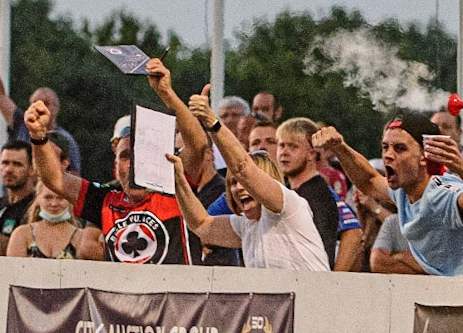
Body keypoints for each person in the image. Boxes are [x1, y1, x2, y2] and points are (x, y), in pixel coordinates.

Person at [315, 111, 463, 278]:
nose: (388, 155)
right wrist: (340, 147)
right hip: (452, 294)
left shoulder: (440, 191)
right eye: (385, 147)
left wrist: (462, 167)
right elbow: (369, 181)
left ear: (424, 156)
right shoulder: (403, 190)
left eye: (400, 148)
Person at [26, 99, 191, 265]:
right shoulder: (106, 198)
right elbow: (54, 179)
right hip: (121, 290)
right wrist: (38, 135)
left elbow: (198, 147)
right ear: (116, 167)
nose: (134, 164)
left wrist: (166, 93)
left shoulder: (178, 190)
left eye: (140, 154)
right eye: (125, 156)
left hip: (176, 289)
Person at [169, 103, 328, 271]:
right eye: (233, 183)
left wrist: (212, 123)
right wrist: (178, 179)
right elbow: (201, 225)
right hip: (282, 297)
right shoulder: (245, 225)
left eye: (243, 182)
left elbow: (243, 167)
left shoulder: (288, 204)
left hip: (315, 296)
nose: (238, 188)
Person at [0, 34, 81, 173]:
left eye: (46, 103)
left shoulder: (64, 140)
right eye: (35, 103)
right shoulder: (22, 125)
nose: (40, 107)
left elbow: (74, 179)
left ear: (57, 109)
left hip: (46, 194)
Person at [275, 118, 345, 266]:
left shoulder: (320, 196)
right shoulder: (284, 190)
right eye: (281, 145)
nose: (284, 152)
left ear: (312, 154)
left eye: (293, 146)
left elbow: (322, 248)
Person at [6, 187, 103, 260]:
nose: (54, 203)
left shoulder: (81, 237)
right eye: (48, 197)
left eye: (60, 198)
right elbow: (13, 273)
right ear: (38, 198)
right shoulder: (22, 234)